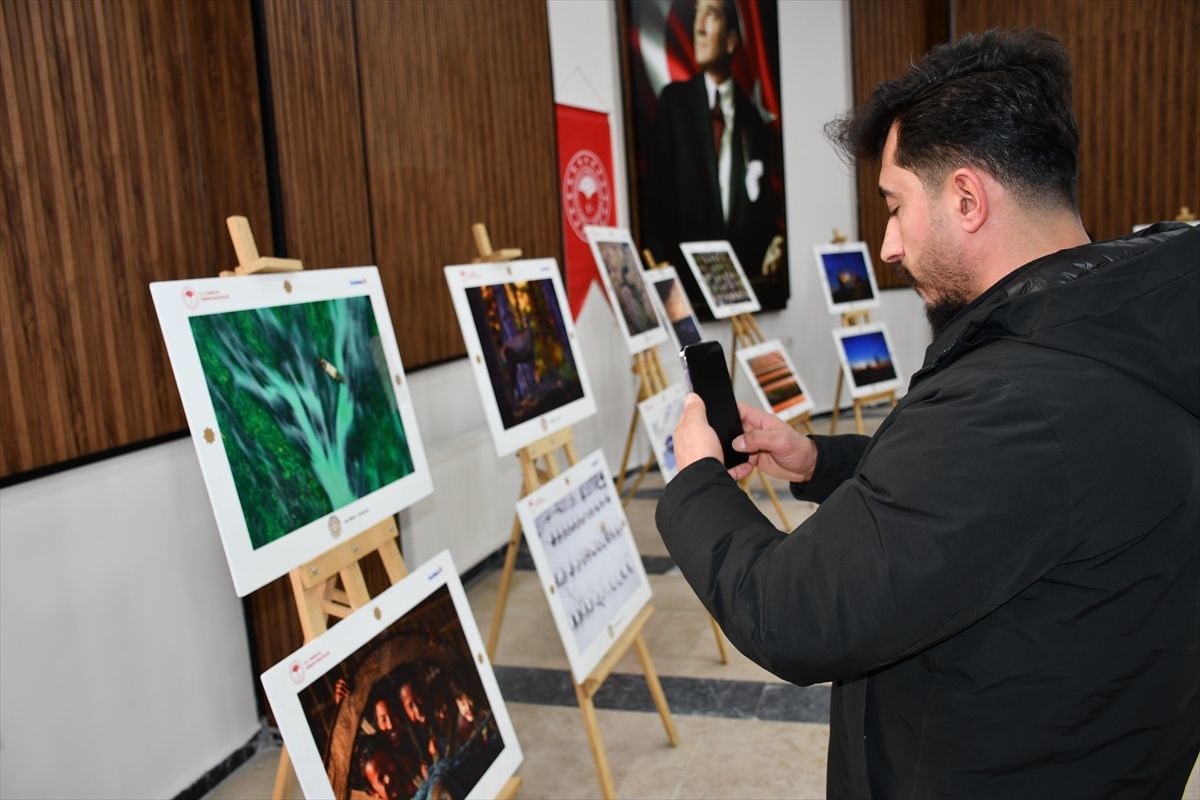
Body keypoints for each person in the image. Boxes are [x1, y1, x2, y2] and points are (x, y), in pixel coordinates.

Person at [656, 28, 1199, 798]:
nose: (886, 244)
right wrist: (819, 460)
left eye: (896, 206)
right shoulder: (1116, 335)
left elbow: (792, 612)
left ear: (968, 199)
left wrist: (696, 482)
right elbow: (982, 506)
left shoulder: (1022, 397)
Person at [645, 0, 784, 297]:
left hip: (740, 290)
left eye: (712, 15)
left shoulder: (754, 122)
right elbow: (655, 199)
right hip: (686, 292)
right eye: (697, 15)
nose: (699, 27)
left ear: (732, 40)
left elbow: (762, 213)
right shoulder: (674, 105)